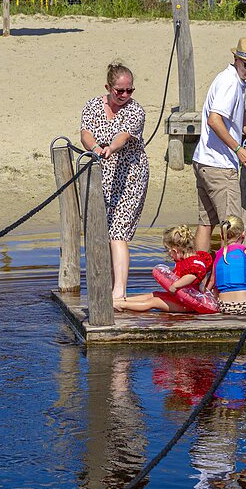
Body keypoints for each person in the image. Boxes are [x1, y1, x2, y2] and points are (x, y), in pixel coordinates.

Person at [192, 37, 246, 256]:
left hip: (204, 162)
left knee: (206, 223)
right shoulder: (231, 83)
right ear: (236, 59)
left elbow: (241, 118)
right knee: (232, 229)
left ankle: (199, 279)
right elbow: (214, 120)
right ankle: (229, 286)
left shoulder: (232, 80)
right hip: (219, 168)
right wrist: (238, 149)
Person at [80, 62, 150, 306]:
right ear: (108, 87)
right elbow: (85, 133)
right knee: (104, 230)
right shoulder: (92, 106)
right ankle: (110, 285)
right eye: (119, 90)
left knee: (118, 231)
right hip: (102, 177)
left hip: (130, 175)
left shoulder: (135, 111)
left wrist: (111, 147)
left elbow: (125, 136)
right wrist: (95, 148)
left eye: (129, 90)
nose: (124, 95)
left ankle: (118, 292)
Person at [117, 225, 214, 313]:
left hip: (187, 305)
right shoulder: (186, 261)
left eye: (169, 252)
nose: (170, 256)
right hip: (179, 299)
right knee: (154, 294)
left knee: (154, 302)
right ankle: (122, 300)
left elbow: (192, 275)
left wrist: (175, 286)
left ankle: (122, 305)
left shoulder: (195, 263)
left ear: (174, 251)